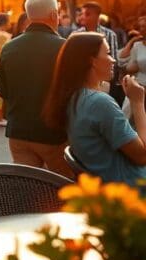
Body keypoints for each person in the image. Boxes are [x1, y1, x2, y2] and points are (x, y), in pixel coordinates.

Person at [43, 33, 146, 186]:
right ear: (92, 61)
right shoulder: (100, 103)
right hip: (130, 189)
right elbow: (142, 156)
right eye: (108, 53)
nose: (113, 60)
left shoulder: (73, 97)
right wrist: (137, 102)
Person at [0, 0, 72, 177]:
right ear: (54, 15)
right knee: (62, 186)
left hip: (18, 131)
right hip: (54, 133)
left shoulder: (9, 47)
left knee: (26, 187)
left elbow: (3, 91)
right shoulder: (64, 47)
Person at [74, 1, 122, 105]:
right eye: (81, 14)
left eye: (87, 14)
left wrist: (107, 83)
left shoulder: (110, 34)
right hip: (80, 83)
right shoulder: (76, 35)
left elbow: (113, 60)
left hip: (103, 82)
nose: (82, 17)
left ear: (97, 16)